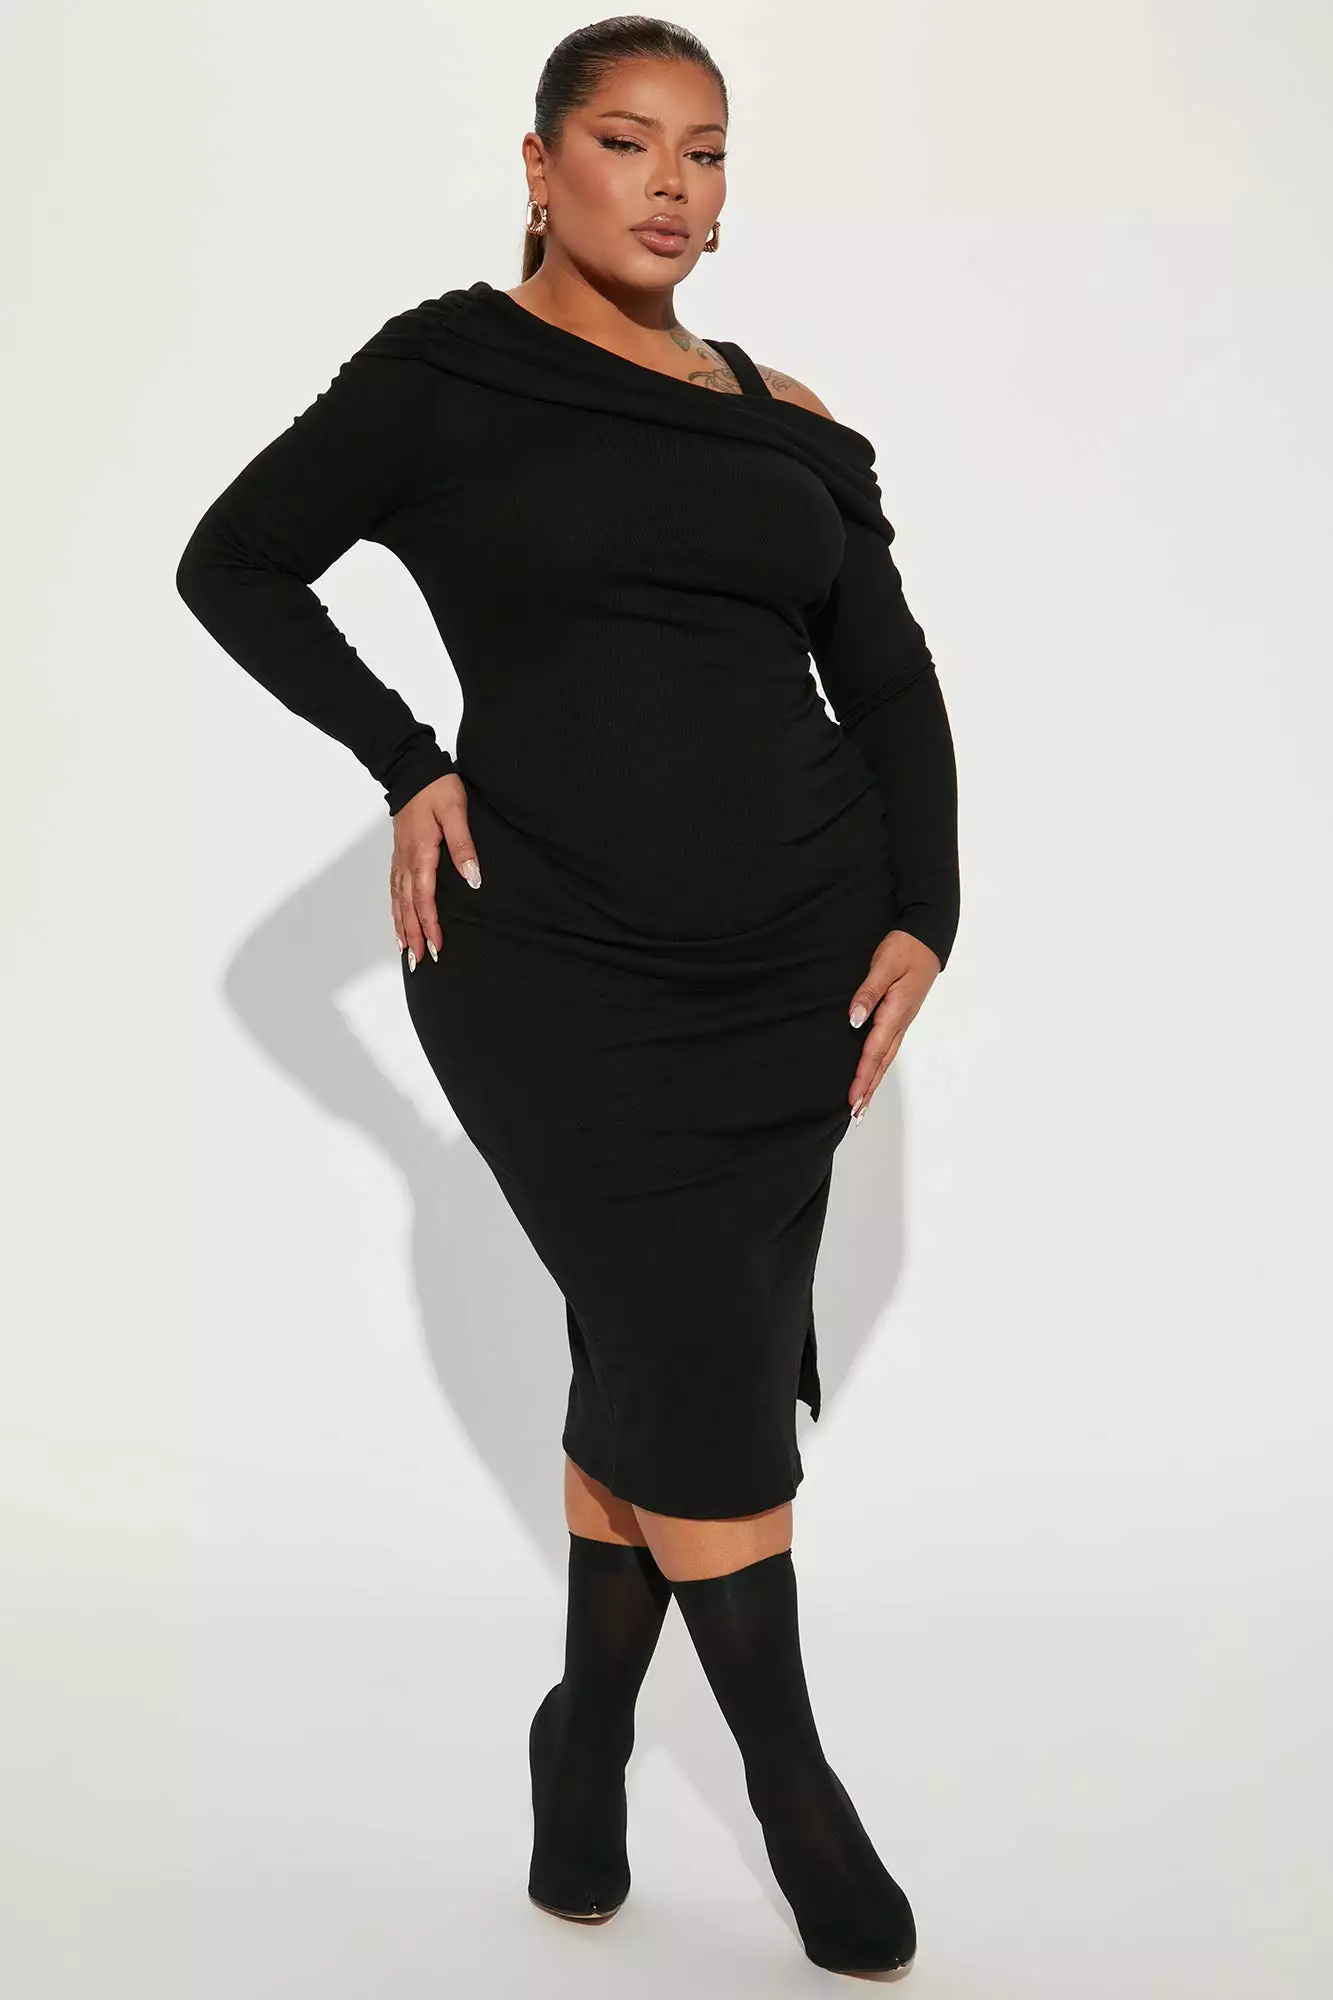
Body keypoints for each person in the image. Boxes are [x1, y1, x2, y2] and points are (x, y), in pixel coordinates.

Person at [175, 15, 958, 1980]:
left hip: (795, 968)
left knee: (664, 1356)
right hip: (553, 971)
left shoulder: (782, 411)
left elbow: (887, 677)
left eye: (708, 151)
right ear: (540, 166)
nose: (673, 185)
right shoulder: (447, 375)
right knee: (696, 1351)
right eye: (627, 141)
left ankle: (587, 1730)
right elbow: (237, 561)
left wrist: (925, 913)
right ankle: (792, 1789)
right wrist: (403, 757)